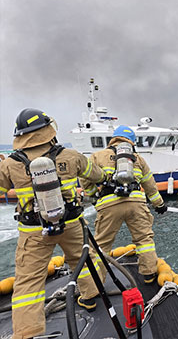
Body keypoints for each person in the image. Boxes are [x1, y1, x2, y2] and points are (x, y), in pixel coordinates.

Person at [0, 108, 105, 339]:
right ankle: (90, 296)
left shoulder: (10, 164)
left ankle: (27, 332)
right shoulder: (71, 155)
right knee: (85, 260)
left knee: (28, 281)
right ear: (48, 129)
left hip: (33, 231)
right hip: (71, 225)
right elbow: (95, 175)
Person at [80, 125, 168, 287]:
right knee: (144, 240)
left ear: (113, 139)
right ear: (132, 142)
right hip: (136, 203)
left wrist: (94, 196)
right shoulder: (138, 159)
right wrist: (159, 204)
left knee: (100, 246)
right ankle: (148, 275)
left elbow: (85, 180)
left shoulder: (97, 156)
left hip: (109, 203)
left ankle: (96, 283)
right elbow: (150, 186)